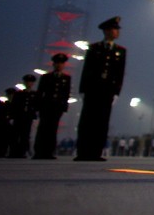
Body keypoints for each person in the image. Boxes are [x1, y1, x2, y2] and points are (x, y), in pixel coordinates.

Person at [75, 16, 127, 161]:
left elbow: (120, 74)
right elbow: (86, 70)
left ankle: (96, 152)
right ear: (106, 31)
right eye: (114, 29)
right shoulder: (94, 48)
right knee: (87, 121)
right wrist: (83, 90)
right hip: (93, 89)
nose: (117, 32)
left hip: (107, 91)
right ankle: (83, 151)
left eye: (117, 30)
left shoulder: (120, 51)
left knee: (102, 122)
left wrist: (116, 92)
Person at [34, 53, 71, 159]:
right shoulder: (46, 77)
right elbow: (40, 93)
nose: (59, 65)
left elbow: (66, 94)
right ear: (53, 64)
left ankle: (49, 151)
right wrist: (38, 107)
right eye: (57, 63)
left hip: (57, 107)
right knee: (43, 128)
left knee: (52, 129)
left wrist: (64, 107)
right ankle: (39, 151)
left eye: (61, 63)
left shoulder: (66, 78)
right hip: (46, 106)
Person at [7, 74, 38, 158]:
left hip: (28, 117)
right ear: (24, 83)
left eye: (31, 82)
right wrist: (12, 117)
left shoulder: (35, 94)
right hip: (18, 116)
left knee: (25, 135)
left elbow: (36, 106)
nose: (29, 83)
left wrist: (35, 116)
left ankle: (22, 152)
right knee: (15, 134)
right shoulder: (18, 94)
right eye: (27, 81)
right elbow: (14, 106)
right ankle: (13, 152)